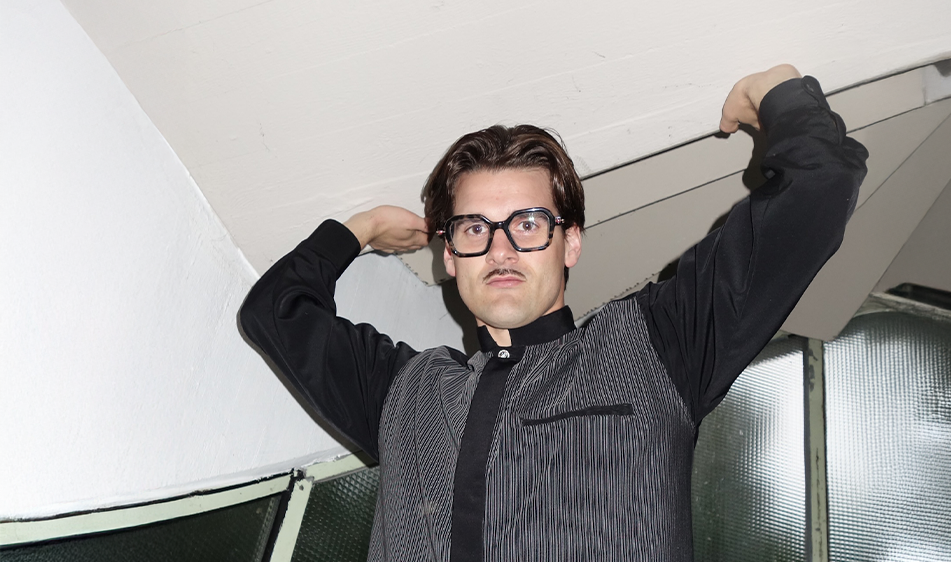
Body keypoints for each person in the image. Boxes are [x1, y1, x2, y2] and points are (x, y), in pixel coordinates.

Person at [239, 65, 868, 561]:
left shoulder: (658, 345)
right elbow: (275, 310)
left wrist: (777, 89)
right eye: (474, 229)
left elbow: (819, 186)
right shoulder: (403, 391)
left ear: (570, 243)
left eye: (528, 223)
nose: (501, 249)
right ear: (450, 256)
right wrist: (359, 230)